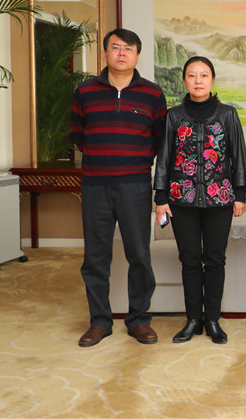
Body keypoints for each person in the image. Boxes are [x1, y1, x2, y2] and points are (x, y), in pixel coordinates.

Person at [71, 28, 167, 347]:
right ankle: (100, 321)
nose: (122, 53)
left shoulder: (153, 94)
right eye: (115, 47)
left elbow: (158, 140)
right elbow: (79, 135)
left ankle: (138, 320)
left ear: (137, 55)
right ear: (105, 52)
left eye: (129, 48)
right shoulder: (85, 91)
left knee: (139, 254)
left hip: (135, 185)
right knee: (95, 257)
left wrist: (133, 161)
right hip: (95, 185)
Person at [153, 56, 246, 344]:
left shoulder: (228, 114)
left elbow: (238, 156)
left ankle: (213, 320)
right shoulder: (173, 116)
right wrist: (161, 197)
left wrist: (240, 194)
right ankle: (193, 319)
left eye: (204, 75)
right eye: (192, 75)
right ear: (185, 80)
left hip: (220, 198)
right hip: (181, 199)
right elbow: (164, 158)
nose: (198, 80)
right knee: (190, 260)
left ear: (212, 80)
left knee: (216, 260)